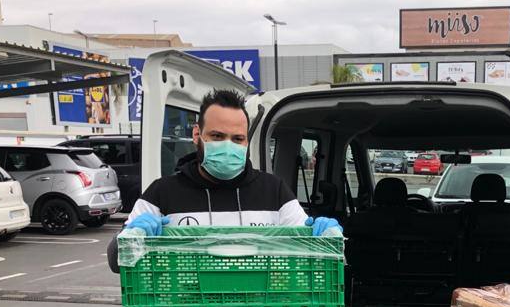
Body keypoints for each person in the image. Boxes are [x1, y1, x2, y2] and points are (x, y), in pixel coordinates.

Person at [107, 88, 339, 272]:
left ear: (246, 142)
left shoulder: (274, 191)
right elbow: (117, 262)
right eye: (217, 136)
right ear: (197, 134)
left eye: (237, 138)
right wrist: (124, 241)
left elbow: (309, 256)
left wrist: (324, 238)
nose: (228, 146)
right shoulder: (161, 194)